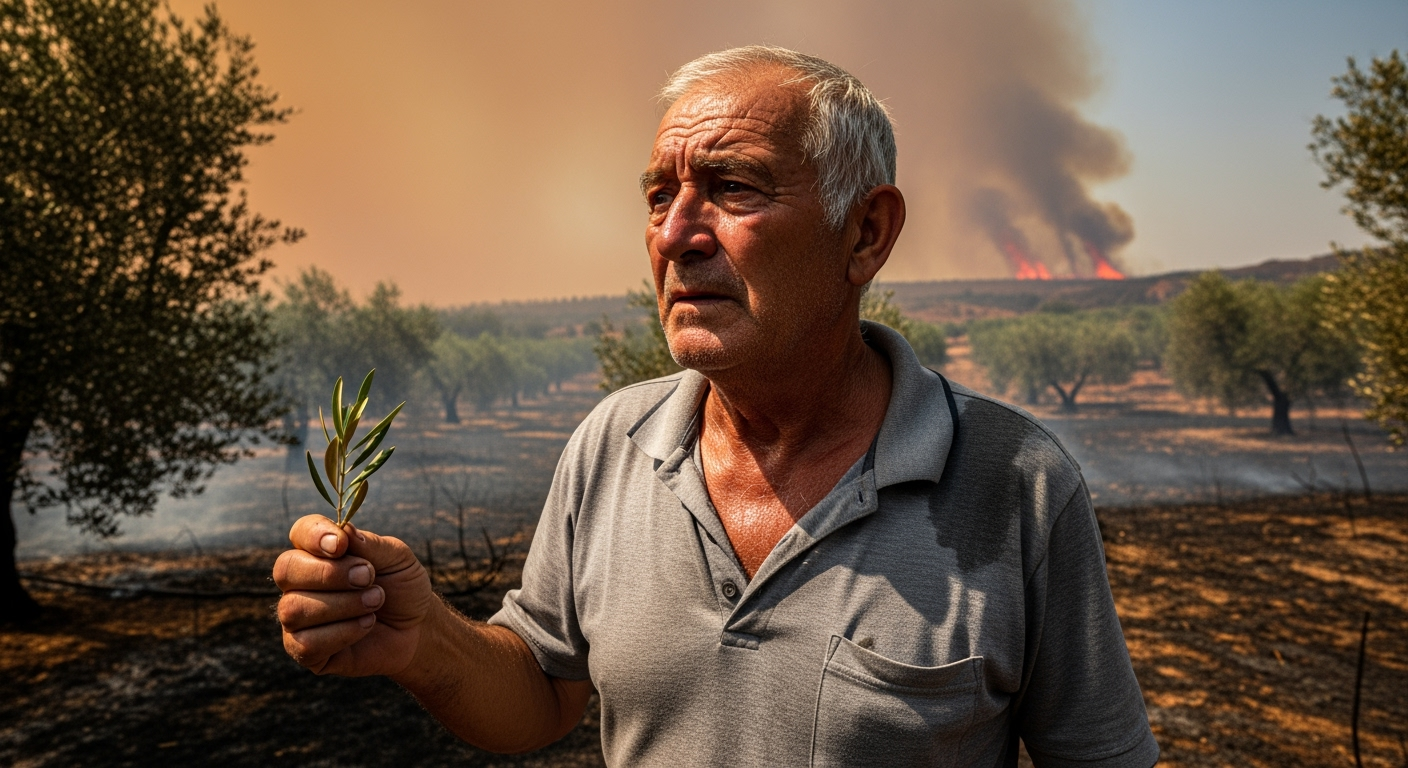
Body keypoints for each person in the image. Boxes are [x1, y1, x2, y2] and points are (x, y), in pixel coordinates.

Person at [273, 46, 1159, 767]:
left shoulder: (1017, 485)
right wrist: (422, 638)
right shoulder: (611, 444)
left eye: (734, 187)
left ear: (866, 233)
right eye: (659, 195)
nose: (674, 235)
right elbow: (542, 691)